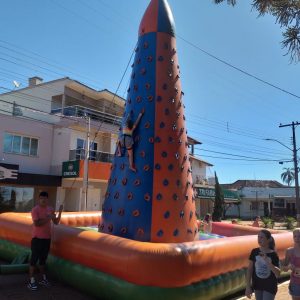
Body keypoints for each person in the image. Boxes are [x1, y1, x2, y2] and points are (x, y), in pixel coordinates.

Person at [27, 191, 63, 291]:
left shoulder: (50, 209)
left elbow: (56, 222)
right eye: (41, 198)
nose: (43, 200)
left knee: (43, 260)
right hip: (37, 238)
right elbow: (37, 224)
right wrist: (49, 217)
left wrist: (59, 212)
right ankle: (31, 281)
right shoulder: (35, 210)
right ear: (39, 199)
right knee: (33, 260)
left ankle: (43, 279)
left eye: (45, 198)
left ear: (48, 199)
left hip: (47, 239)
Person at [245, 229, 280, 300]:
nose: (259, 239)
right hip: (258, 285)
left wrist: (268, 262)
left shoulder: (273, 254)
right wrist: (248, 287)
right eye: (258, 237)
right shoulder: (254, 251)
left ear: (269, 239)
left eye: (262, 237)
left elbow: (278, 273)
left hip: (270, 286)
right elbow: (249, 270)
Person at [282, 228, 300, 300]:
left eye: (299, 236)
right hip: (295, 282)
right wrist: (289, 266)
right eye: (295, 236)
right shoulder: (289, 251)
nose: (297, 238)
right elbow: (284, 268)